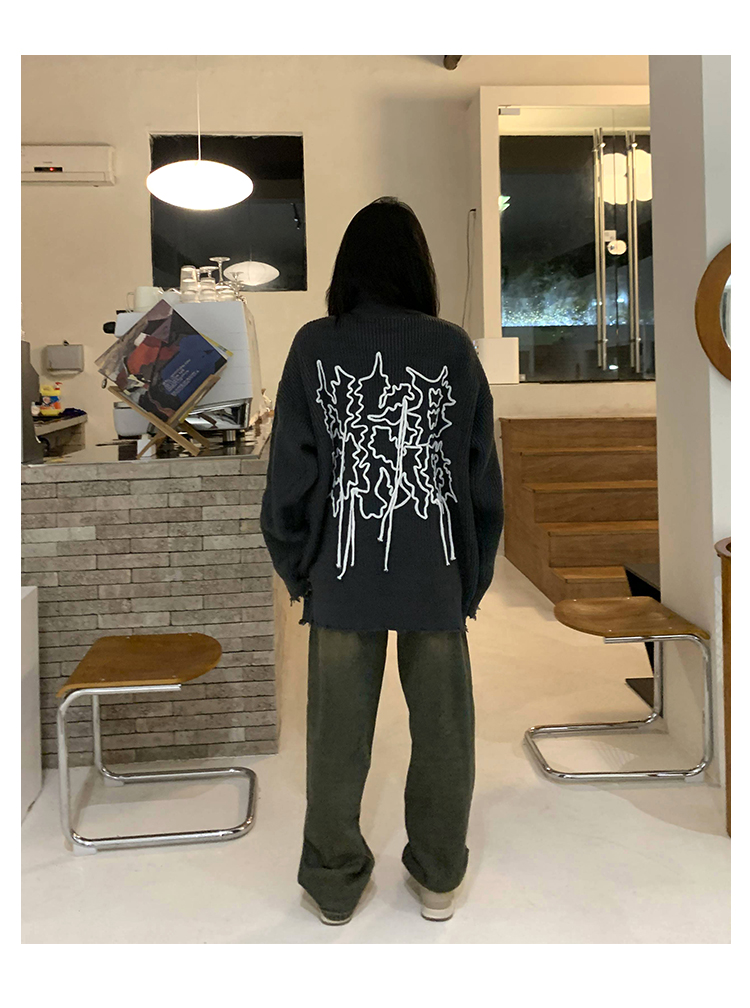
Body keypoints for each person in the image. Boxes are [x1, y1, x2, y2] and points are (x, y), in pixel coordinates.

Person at [261, 197, 504, 925]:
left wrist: (297, 564)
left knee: (335, 735)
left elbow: (291, 471)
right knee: (444, 731)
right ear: (416, 267)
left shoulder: (314, 345)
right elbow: (480, 477)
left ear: (348, 267)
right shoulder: (451, 349)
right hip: (435, 571)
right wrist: (471, 578)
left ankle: (333, 883)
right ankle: (438, 875)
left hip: (342, 574)